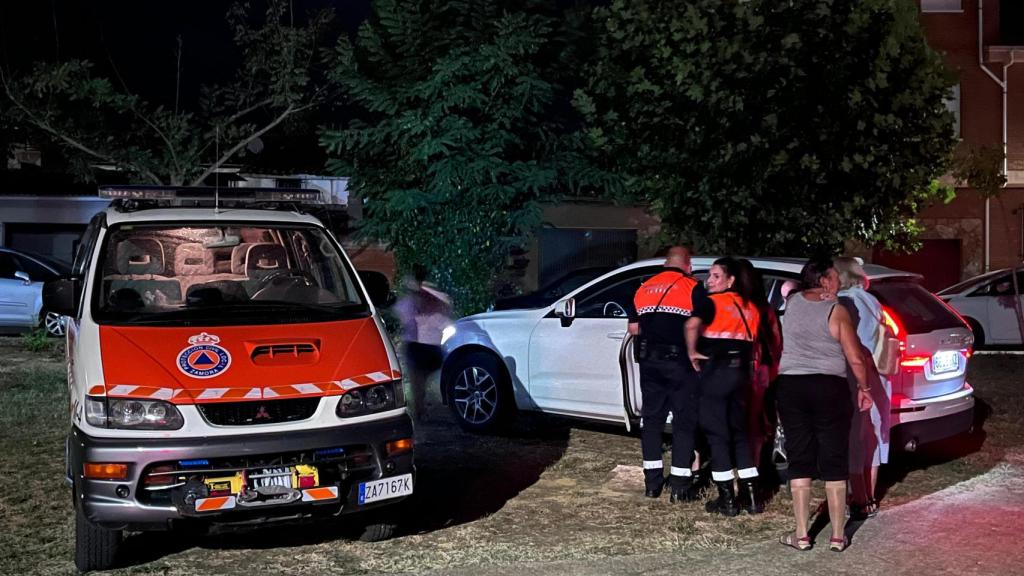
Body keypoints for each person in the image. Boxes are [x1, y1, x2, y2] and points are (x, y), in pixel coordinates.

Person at [776, 256, 873, 552]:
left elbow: (790, 287)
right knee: (834, 458)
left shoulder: (792, 303)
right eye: (834, 277)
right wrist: (865, 387)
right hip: (828, 387)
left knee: (799, 456)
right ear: (823, 280)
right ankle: (837, 536)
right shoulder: (837, 310)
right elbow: (855, 356)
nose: (839, 282)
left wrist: (815, 290)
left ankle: (802, 535)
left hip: (791, 386)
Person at [628, 246, 712, 502]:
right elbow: (701, 323)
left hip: (650, 362)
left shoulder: (643, 288)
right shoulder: (692, 287)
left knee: (651, 422)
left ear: (666, 264)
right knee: (683, 423)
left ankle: (652, 484)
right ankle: (679, 487)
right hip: (680, 363)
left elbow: (633, 329)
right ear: (688, 265)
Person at [687, 257, 763, 516]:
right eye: (709, 275)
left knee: (717, 435)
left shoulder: (711, 303)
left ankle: (727, 500)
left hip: (716, 374)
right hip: (741, 375)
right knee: (739, 434)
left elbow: (691, 324)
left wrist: (691, 352)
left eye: (716, 275)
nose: (709, 280)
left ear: (730, 280)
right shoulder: (751, 307)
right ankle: (752, 498)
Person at [835, 256, 891, 518]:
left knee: (856, 438)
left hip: (859, 376)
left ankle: (857, 497)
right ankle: (867, 496)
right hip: (879, 372)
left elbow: (850, 345)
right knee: (873, 438)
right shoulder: (870, 299)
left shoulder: (846, 302)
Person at [394, 265, 452, 423]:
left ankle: (419, 409)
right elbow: (445, 315)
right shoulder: (436, 297)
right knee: (420, 380)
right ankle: (420, 409)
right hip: (430, 344)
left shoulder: (413, 299)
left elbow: (403, 316)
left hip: (417, 344)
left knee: (417, 381)